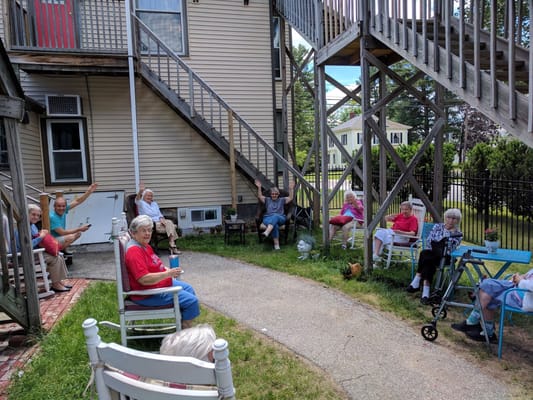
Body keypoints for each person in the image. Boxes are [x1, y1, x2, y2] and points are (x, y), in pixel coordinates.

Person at [125, 214, 199, 329]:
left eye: (149, 230)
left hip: (157, 285)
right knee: (192, 301)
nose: (148, 233)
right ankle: (186, 330)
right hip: (148, 293)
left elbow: (154, 265)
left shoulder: (144, 245)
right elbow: (144, 279)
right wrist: (167, 274)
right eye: (143, 231)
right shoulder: (134, 251)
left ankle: (182, 321)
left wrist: (169, 270)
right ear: (133, 233)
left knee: (189, 289)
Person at [451, 269, 533, 343]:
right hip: (515, 288)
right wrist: (518, 277)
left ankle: (474, 322)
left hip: (521, 298)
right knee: (487, 284)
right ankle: (485, 330)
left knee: (488, 292)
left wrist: (521, 281)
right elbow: (527, 276)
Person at [406, 208, 463, 305]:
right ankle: (425, 294)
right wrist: (441, 241)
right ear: (445, 217)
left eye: (454, 218)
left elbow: (450, 247)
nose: (450, 220)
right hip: (432, 253)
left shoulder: (458, 233)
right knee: (427, 258)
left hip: (445, 257)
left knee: (425, 254)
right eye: (449, 217)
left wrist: (444, 237)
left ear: (457, 220)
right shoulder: (437, 226)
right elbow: (429, 240)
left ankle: (417, 281)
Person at [28, 204, 71, 292]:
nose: (36, 217)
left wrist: (42, 235)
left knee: (59, 255)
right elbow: (27, 245)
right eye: (33, 214)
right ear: (27, 214)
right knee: (54, 258)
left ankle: (59, 281)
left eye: (38, 215)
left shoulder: (32, 225)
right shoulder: (24, 228)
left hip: (35, 251)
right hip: (27, 255)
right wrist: (41, 237)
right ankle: (55, 284)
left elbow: (37, 240)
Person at [50, 183, 98, 252]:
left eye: (63, 206)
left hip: (59, 238)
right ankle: (56, 252)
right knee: (71, 237)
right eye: (59, 206)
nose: (61, 208)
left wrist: (89, 191)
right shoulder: (52, 217)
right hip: (52, 240)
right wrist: (80, 228)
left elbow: (77, 201)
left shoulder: (63, 210)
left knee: (78, 234)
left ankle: (60, 251)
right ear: (54, 207)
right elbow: (62, 233)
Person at [135, 183, 181, 255]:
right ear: (143, 196)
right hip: (150, 224)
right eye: (148, 195)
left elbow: (159, 214)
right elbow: (137, 199)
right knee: (172, 226)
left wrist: (161, 218)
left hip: (160, 223)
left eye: (151, 196)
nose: (150, 197)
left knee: (169, 222)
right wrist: (140, 191)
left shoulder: (154, 204)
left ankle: (172, 244)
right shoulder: (141, 203)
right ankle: (172, 246)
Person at [255, 179, 295, 250]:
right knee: (275, 225)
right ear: (271, 194)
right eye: (273, 194)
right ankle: (276, 245)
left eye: (275, 194)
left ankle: (267, 231)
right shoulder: (267, 200)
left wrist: (291, 189)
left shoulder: (282, 200)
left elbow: (290, 198)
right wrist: (259, 187)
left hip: (280, 218)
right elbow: (260, 196)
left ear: (278, 194)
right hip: (267, 218)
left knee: (275, 215)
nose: (274, 195)